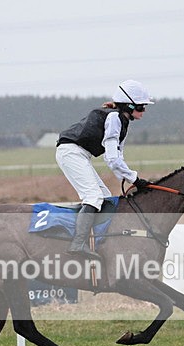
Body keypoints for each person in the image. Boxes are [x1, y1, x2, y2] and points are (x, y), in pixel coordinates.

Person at [56, 79, 153, 259]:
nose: (144, 111)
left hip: (79, 154)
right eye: (141, 107)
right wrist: (135, 179)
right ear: (129, 106)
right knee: (93, 197)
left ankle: (99, 241)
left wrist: (128, 178)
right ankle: (77, 244)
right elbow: (112, 158)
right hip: (70, 152)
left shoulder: (122, 121)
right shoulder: (115, 118)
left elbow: (118, 157)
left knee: (106, 197)